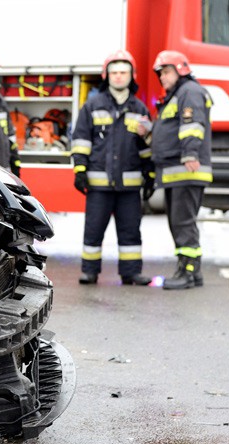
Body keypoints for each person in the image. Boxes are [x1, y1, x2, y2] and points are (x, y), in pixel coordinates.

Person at [71, 50, 154, 286]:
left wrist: (150, 174)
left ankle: (131, 273)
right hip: (99, 185)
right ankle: (89, 271)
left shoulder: (140, 109)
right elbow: (81, 140)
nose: (118, 77)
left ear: (132, 76)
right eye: (114, 72)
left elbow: (146, 147)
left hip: (129, 187)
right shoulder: (93, 105)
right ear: (107, 76)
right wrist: (79, 170)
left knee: (130, 232)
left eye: (123, 73)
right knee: (93, 230)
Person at [150, 50, 213, 290]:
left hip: (187, 169)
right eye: (161, 74)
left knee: (183, 223)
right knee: (179, 223)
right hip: (176, 172)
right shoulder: (177, 95)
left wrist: (190, 153)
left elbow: (192, 125)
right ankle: (190, 272)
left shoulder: (189, 92)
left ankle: (187, 273)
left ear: (181, 70)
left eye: (166, 72)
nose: (162, 78)